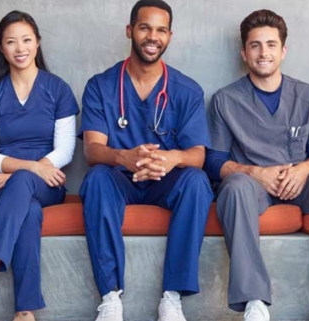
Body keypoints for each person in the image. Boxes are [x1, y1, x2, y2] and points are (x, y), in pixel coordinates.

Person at [205, 9, 309, 321]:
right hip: (252, 187)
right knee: (233, 188)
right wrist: (254, 173)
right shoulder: (224, 100)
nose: (264, 53)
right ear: (244, 52)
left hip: (301, 183)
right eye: (256, 45)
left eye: (271, 45)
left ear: (283, 50)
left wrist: (303, 170)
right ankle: (254, 301)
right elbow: (214, 161)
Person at [78, 1, 213, 320]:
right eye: (144, 27)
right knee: (96, 178)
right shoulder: (101, 85)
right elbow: (92, 150)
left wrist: (172, 158)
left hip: (165, 182)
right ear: (130, 31)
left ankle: (172, 297)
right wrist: (123, 156)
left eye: (161, 30)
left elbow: (198, 154)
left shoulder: (186, 89)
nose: (153, 36)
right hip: (119, 179)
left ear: (169, 36)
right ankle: (110, 297)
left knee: (197, 181)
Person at [0, 10, 79, 321]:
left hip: (47, 181)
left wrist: (27, 170)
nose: (20, 48)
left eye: (27, 40)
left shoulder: (58, 89)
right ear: (1, 48)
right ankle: (25, 311)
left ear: (38, 43)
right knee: (27, 209)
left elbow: (66, 149)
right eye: (11, 42)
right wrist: (26, 169)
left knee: (22, 184)